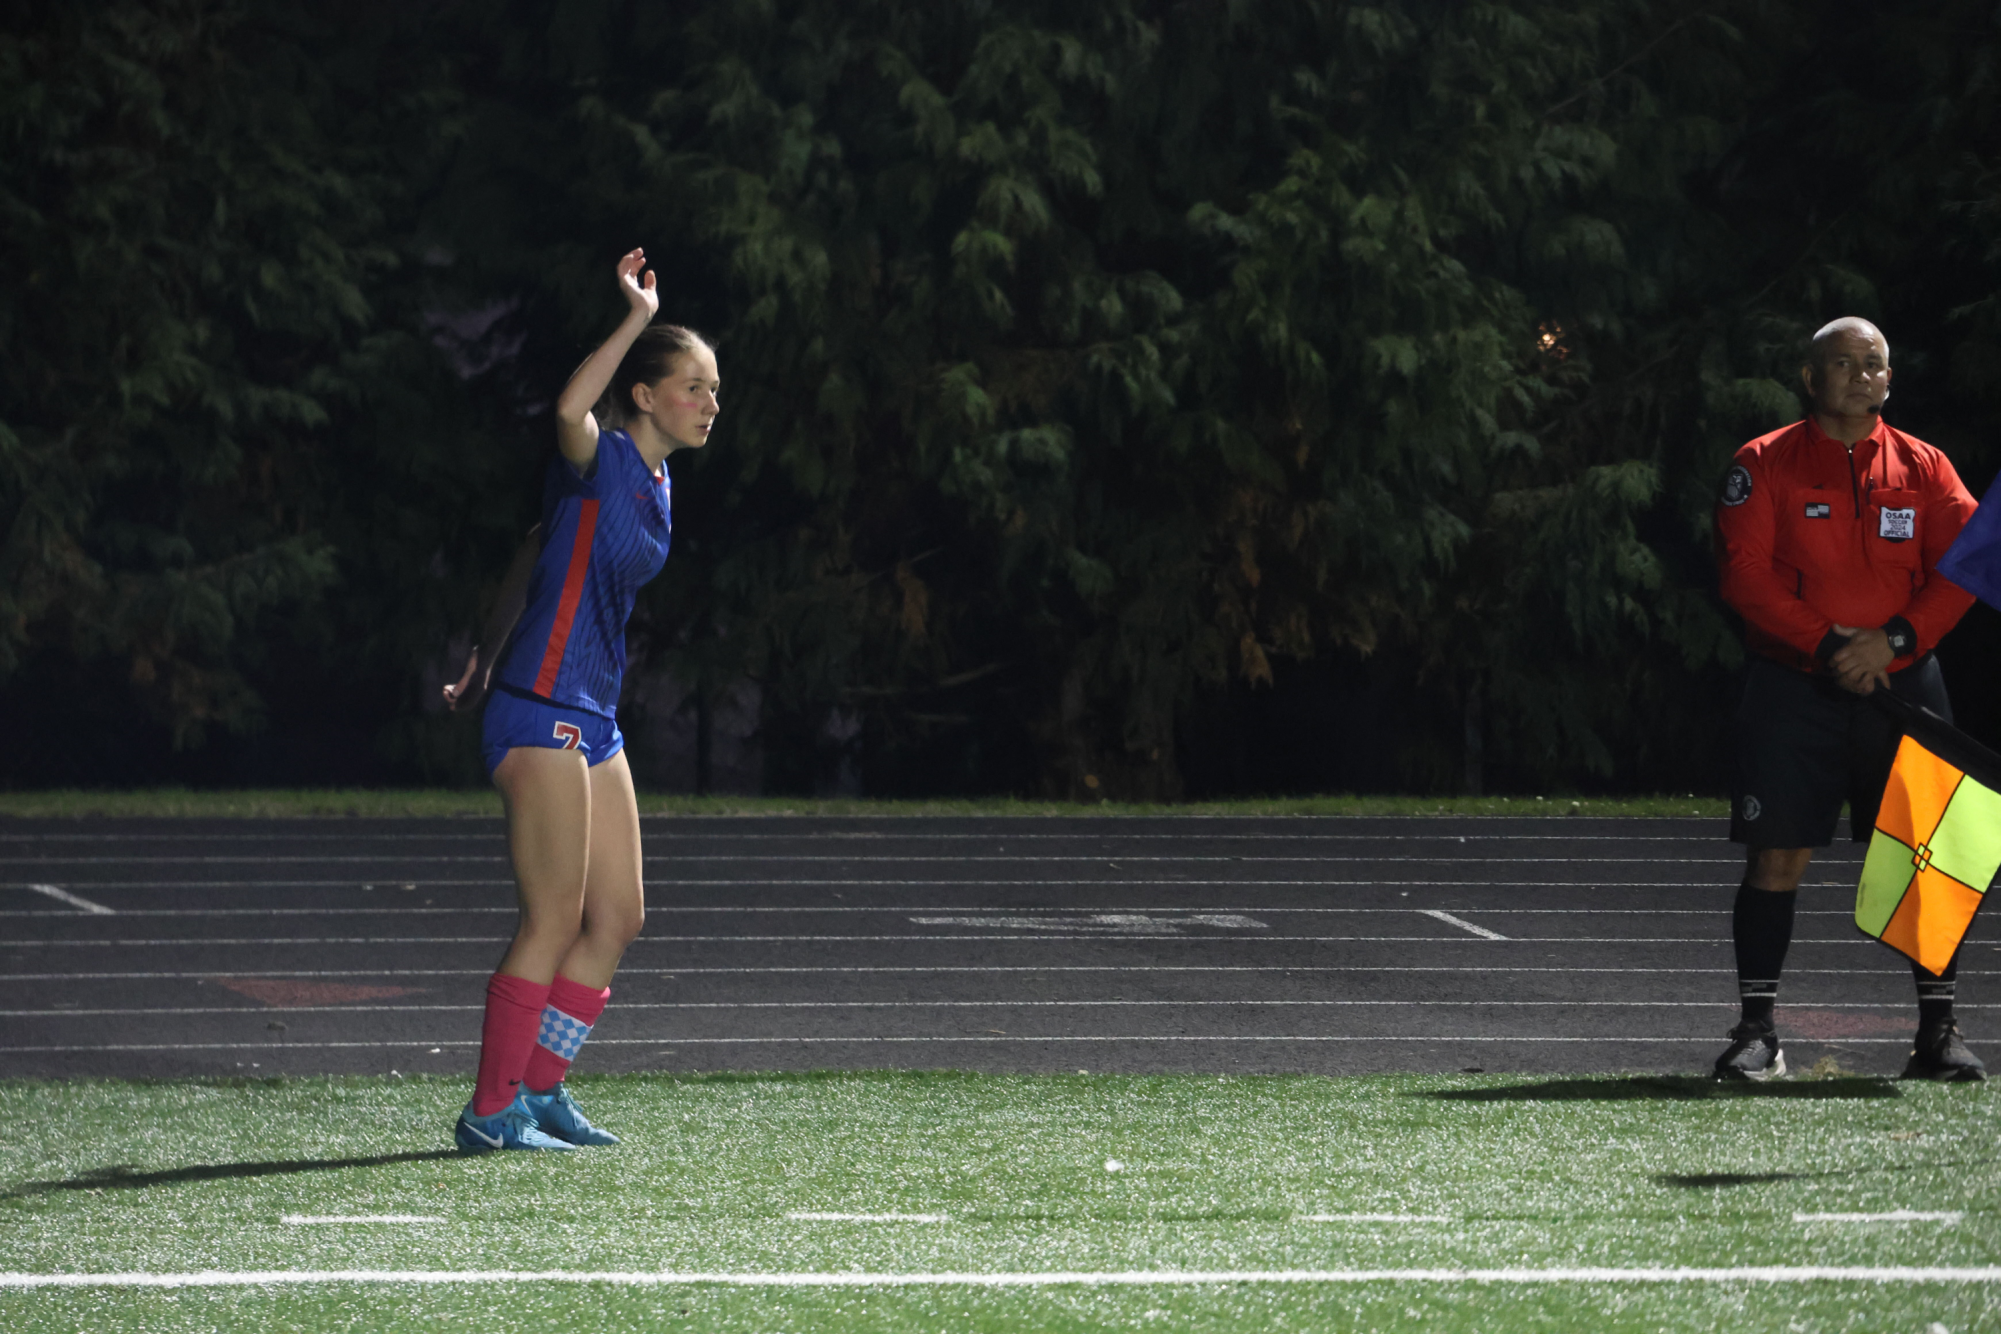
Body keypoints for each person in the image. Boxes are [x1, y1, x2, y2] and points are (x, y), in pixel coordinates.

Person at [444, 248, 720, 1149]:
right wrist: (636, 320)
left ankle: (538, 1090)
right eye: (692, 386)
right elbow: (568, 406)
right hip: (539, 709)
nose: (710, 402)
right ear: (643, 394)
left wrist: (481, 645)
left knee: (618, 919)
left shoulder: (657, 485)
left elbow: (535, 549)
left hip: (592, 716)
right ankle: (489, 1113)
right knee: (553, 919)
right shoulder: (595, 451)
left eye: (713, 389)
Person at [1712, 316, 1983, 1082]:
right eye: (1842, 362)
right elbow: (1744, 576)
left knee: (1925, 862)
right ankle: (1756, 1034)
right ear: (1809, 378)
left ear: (1889, 380)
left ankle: (1936, 1035)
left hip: (1902, 690)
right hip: (1793, 690)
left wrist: (1892, 643)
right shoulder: (1760, 463)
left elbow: (1964, 567)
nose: (1861, 374)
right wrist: (1830, 647)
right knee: (1776, 857)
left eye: (1874, 364)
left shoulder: (1925, 468)